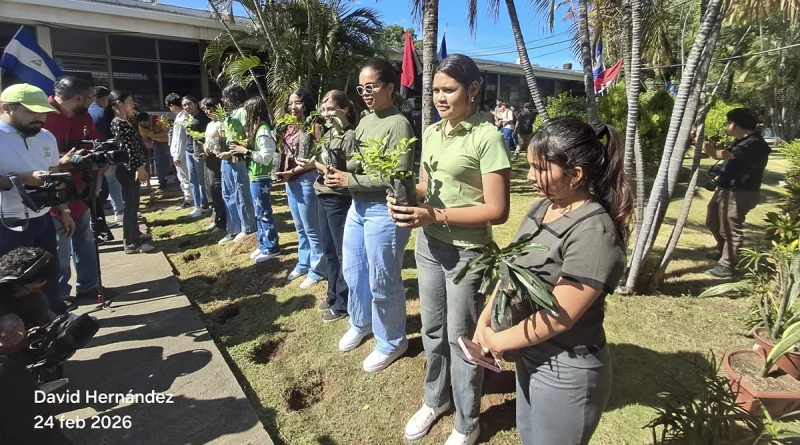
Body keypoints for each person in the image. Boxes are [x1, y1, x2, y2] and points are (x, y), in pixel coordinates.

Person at [474, 118, 632, 445]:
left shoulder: (593, 232)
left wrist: (500, 342)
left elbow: (561, 314)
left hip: (565, 370)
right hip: (530, 354)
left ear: (575, 175)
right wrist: (485, 319)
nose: (530, 176)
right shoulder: (543, 207)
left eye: (540, 169)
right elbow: (511, 270)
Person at [388, 54, 511, 445]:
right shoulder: (432, 132)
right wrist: (405, 197)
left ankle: (466, 422)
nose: (440, 97)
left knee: (462, 338)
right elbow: (427, 186)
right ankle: (435, 398)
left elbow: (498, 210)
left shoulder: (486, 136)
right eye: (436, 90)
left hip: (468, 255)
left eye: (449, 90)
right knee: (432, 329)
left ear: (472, 90)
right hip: (430, 246)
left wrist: (434, 214)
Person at [323, 59, 414, 372]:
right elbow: (356, 162)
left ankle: (392, 340)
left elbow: (398, 176)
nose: (365, 92)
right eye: (361, 88)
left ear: (390, 88)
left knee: (382, 279)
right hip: (358, 207)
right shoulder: (364, 120)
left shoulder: (398, 123)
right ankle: (361, 322)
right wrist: (340, 154)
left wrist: (351, 180)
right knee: (354, 270)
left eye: (371, 86)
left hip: (383, 211)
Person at [0, 83, 77, 315]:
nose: (40, 118)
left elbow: (54, 176)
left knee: (47, 276)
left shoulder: (45, 137)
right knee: (12, 284)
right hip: (6, 223)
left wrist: (64, 211)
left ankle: (53, 320)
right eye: (31, 112)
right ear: (6, 108)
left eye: (42, 111)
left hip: (41, 218)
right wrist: (20, 178)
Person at [42, 76, 104, 303]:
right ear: (78, 97)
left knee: (85, 238)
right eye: (90, 98)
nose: (92, 103)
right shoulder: (42, 115)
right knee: (60, 248)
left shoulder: (83, 116)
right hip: (52, 195)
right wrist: (63, 162)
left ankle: (89, 287)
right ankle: (60, 296)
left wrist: (100, 158)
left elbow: (95, 143)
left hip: (80, 190)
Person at [299, 90, 359, 323]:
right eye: (323, 110)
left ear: (344, 110)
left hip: (338, 197)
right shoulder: (327, 134)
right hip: (323, 194)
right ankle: (332, 293)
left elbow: (349, 171)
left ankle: (344, 302)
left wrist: (318, 166)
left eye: (330, 109)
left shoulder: (349, 136)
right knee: (329, 250)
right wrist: (312, 165)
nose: (325, 114)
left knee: (342, 251)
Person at [703, 108, 771, 277]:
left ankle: (727, 265)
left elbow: (720, 154)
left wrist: (702, 143)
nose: (727, 125)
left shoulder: (754, 143)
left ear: (737, 124)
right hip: (727, 189)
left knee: (730, 228)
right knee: (713, 222)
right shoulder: (742, 141)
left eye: (729, 122)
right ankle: (722, 251)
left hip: (740, 192)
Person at [275, 88, 326, 289]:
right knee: (300, 227)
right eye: (290, 103)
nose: (293, 107)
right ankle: (304, 263)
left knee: (312, 228)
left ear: (306, 103)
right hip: (291, 180)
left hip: (306, 179)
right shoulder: (288, 126)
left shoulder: (314, 124)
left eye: (297, 102)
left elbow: (316, 158)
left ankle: (318, 269)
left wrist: (294, 171)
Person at [229, 97, 281, 263]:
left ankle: (272, 246)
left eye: (247, 111)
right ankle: (263, 243)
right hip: (255, 175)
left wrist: (246, 152)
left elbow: (267, 157)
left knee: (264, 213)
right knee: (259, 213)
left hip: (261, 177)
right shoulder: (257, 129)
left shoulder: (263, 130)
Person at [106, 90, 154, 254]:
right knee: (131, 205)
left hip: (131, 167)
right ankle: (131, 243)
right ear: (119, 103)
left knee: (134, 204)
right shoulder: (118, 122)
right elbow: (128, 148)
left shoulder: (124, 121)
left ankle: (135, 233)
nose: (132, 104)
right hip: (129, 168)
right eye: (129, 101)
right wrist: (138, 167)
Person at [217, 85, 256, 245]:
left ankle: (247, 227)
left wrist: (232, 152)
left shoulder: (243, 112)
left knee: (241, 192)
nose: (223, 100)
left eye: (225, 97)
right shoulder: (228, 115)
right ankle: (233, 228)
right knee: (228, 193)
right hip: (227, 159)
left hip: (238, 158)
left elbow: (248, 137)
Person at [89, 86, 124, 226]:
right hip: (105, 154)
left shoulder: (85, 111)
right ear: (104, 98)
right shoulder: (104, 112)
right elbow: (110, 136)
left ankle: (94, 218)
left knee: (94, 189)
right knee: (113, 184)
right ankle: (119, 212)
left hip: (89, 154)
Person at [197, 97, 228, 235]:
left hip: (217, 159)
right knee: (210, 189)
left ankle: (222, 222)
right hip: (208, 159)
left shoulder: (221, 123)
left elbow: (223, 141)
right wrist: (204, 151)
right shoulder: (210, 124)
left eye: (209, 108)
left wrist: (209, 152)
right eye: (204, 109)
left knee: (217, 188)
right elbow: (208, 141)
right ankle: (216, 219)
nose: (207, 111)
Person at [180, 96, 211, 219]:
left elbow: (207, 135)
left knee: (201, 179)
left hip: (199, 150)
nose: (187, 107)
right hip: (188, 150)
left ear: (196, 103)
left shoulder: (203, 117)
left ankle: (204, 205)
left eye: (189, 104)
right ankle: (197, 205)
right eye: (184, 105)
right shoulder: (186, 117)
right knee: (192, 178)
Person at [166, 93, 194, 210]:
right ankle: (188, 197)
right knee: (182, 176)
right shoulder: (180, 116)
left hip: (181, 153)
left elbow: (181, 139)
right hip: (178, 152)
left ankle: (189, 199)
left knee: (185, 177)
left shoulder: (183, 117)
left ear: (172, 105)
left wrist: (177, 155)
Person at [139, 111, 171, 192]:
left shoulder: (159, 119)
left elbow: (167, 132)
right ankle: (162, 181)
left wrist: (154, 135)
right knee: (159, 162)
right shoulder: (141, 126)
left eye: (146, 122)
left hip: (169, 141)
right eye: (143, 123)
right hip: (157, 143)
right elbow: (145, 139)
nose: (145, 124)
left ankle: (176, 179)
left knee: (171, 161)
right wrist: (148, 144)